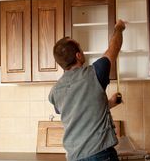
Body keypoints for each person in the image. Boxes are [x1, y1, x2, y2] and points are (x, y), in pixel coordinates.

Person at [49, 19, 126, 161]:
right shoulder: (94, 73)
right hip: (100, 154)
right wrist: (119, 28)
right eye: (80, 48)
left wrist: (109, 103)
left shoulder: (54, 92)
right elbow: (113, 48)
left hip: (75, 157)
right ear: (78, 55)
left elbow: (78, 109)